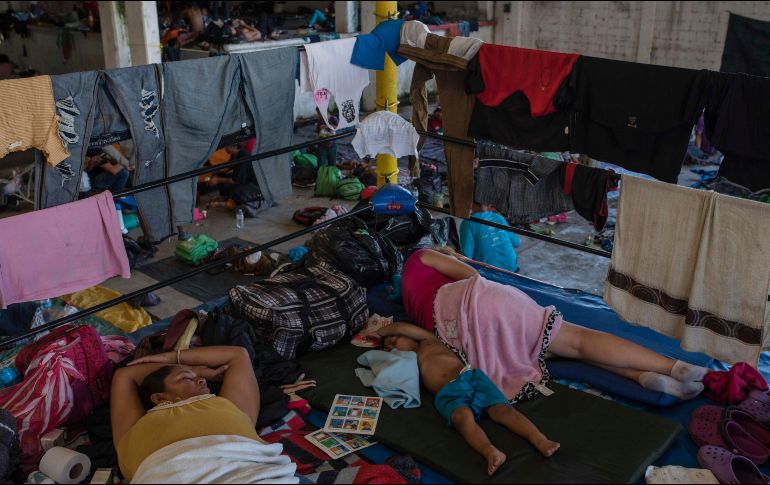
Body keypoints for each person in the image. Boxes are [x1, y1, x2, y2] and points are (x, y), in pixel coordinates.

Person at [400, 249, 709, 400]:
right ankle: (673, 367)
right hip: (477, 301)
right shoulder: (421, 256)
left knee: (560, 351)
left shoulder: (410, 301)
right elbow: (471, 276)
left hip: (465, 339)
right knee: (578, 340)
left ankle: (642, 376)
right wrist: (454, 258)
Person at [379, 322, 559, 476]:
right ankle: (490, 451)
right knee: (462, 419)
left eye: (394, 341)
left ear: (408, 335)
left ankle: (539, 439)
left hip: (470, 377)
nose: (392, 348)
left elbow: (401, 326)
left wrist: (378, 331)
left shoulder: (428, 340)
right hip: (447, 393)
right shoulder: (408, 361)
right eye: (388, 348)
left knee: (502, 410)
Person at [111, 346, 297, 483]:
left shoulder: (226, 406)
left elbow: (238, 355)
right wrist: (196, 369)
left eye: (198, 377)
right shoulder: (137, 426)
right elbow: (125, 375)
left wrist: (171, 356)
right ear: (159, 398)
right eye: (187, 379)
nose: (201, 380)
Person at [460, 202, 521, 273]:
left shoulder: (467, 223)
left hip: (489, 274)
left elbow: (467, 257)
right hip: (512, 268)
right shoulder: (499, 217)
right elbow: (516, 243)